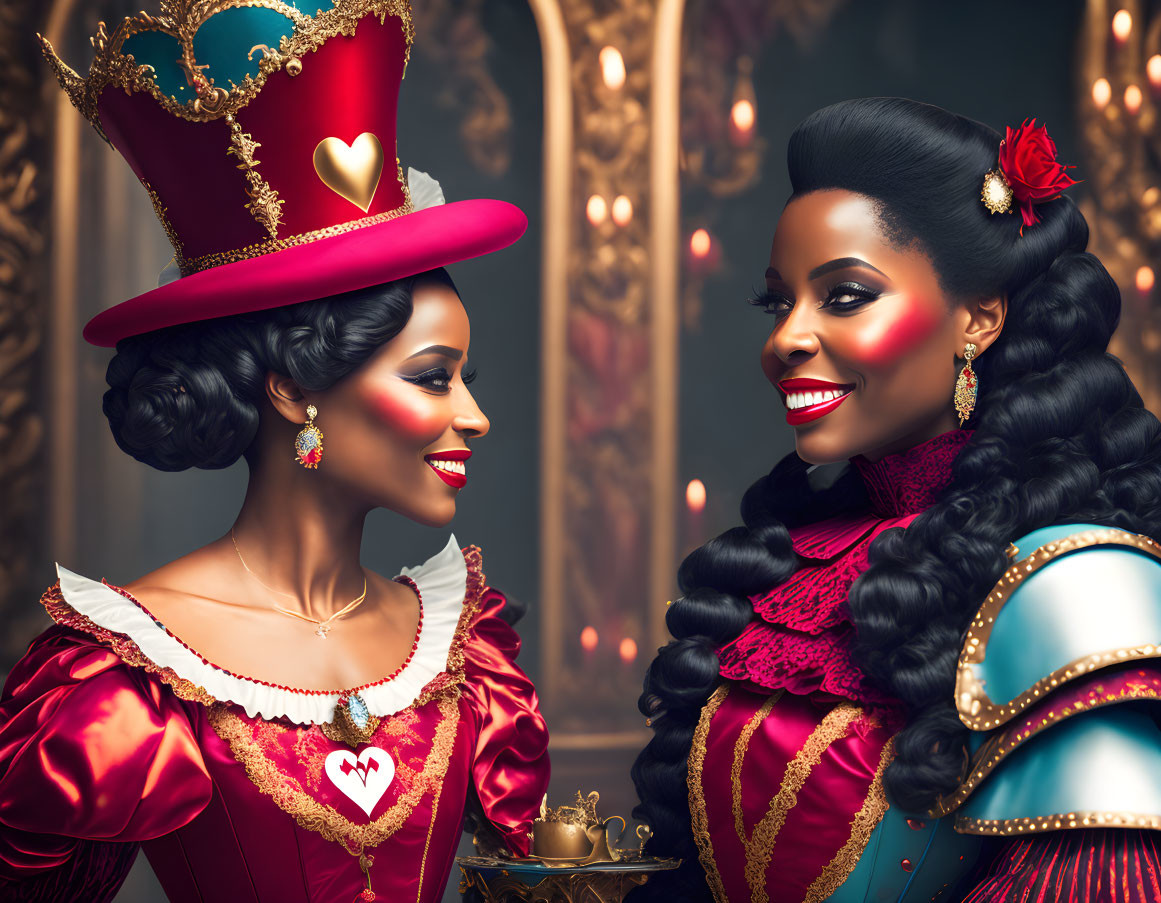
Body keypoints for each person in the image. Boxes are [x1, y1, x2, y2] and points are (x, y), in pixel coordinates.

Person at [0, 2, 549, 901]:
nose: (476, 416)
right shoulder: (128, 668)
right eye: (433, 377)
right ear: (292, 390)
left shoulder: (467, 655)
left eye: (465, 376)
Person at [632, 97, 1161, 901]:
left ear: (977, 317)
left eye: (843, 295)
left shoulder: (1078, 585)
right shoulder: (792, 558)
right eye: (778, 302)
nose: (784, 340)